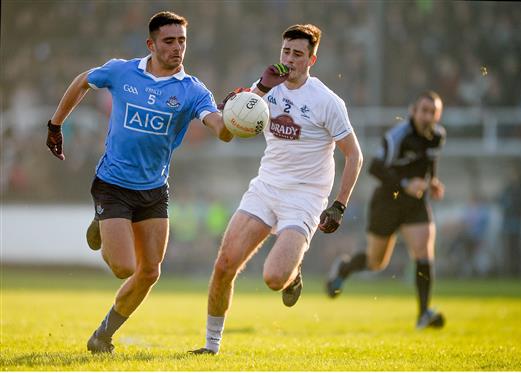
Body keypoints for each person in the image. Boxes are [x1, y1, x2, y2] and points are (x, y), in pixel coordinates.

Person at [45, 11, 234, 354]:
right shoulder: (122, 71)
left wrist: (237, 119)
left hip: (153, 190)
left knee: (149, 272)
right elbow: (82, 82)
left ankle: (102, 336)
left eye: (182, 41)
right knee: (123, 268)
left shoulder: (192, 90)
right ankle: (103, 221)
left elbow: (219, 128)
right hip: (113, 184)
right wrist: (56, 125)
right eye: (169, 41)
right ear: (151, 44)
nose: (178, 48)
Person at [189, 24, 363, 355]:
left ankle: (292, 273)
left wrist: (339, 205)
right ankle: (210, 347)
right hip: (266, 188)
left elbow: (354, 154)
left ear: (312, 59)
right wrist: (258, 90)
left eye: (298, 54)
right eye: (286, 52)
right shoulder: (266, 87)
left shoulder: (327, 101)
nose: (290, 59)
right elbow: (231, 123)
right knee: (225, 263)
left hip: (305, 199)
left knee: (273, 277)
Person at [326, 91, 447, 330]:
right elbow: (374, 168)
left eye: (432, 112)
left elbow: (429, 162)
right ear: (413, 111)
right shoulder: (397, 136)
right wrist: (404, 184)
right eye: (423, 110)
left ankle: (423, 313)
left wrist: (432, 182)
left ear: (438, 115)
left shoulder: (438, 136)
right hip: (387, 203)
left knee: (424, 251)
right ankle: (344, 268)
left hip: (415, 204)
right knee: (375, 262)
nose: (427, 116)